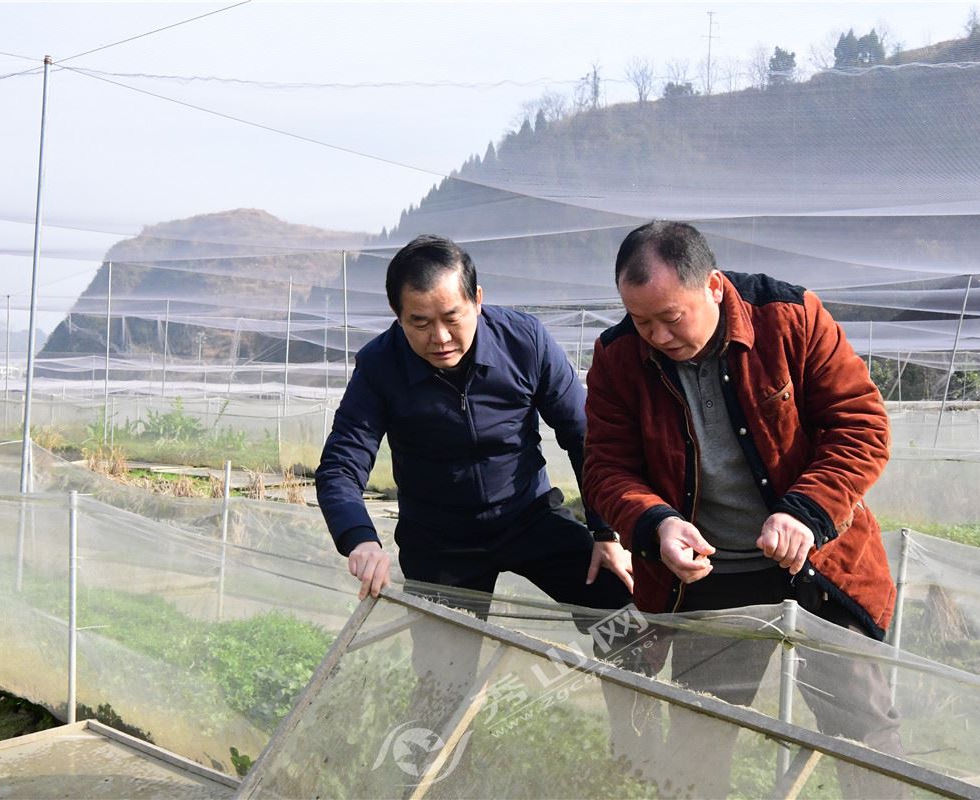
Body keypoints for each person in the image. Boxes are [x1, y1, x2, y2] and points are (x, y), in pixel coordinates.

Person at [583, 221, 903, 798]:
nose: (656, 335)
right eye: (641, 320)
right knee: (699, 735)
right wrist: (657, 524)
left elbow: (861, 427)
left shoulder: (790, 318)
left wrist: (805, 510)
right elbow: (607, 468)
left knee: (862, 730)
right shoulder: (617, 357)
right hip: (711, 577)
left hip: (819, 565)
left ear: (712, 286)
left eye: (670, 317)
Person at [316, 235, 637, 730]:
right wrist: (360, 539)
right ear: (397, 317)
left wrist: (605, 531)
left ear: (478, 300)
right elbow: (341, 464)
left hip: (528, 515)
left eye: (452, 317)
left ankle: (634, 746)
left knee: (622, 612)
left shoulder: (524, 341)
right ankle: (434, 761)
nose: (440, 337)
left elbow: (586, 437)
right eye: (420, 323)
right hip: (439, 540)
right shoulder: (380, 366)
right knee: (444, 678)